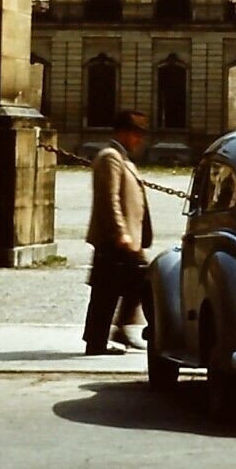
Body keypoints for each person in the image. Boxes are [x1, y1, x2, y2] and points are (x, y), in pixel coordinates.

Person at [84, 109, 153, 354]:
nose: (140, 140)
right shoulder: (111, 157)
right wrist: (120, 232)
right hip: (115, 238)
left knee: (107, 290)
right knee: (132, 284)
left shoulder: (122, 159)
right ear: (124, 133)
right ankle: (104, 337)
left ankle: (102, 338)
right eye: (137, 134)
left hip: (125, 238)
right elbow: (109, 198)